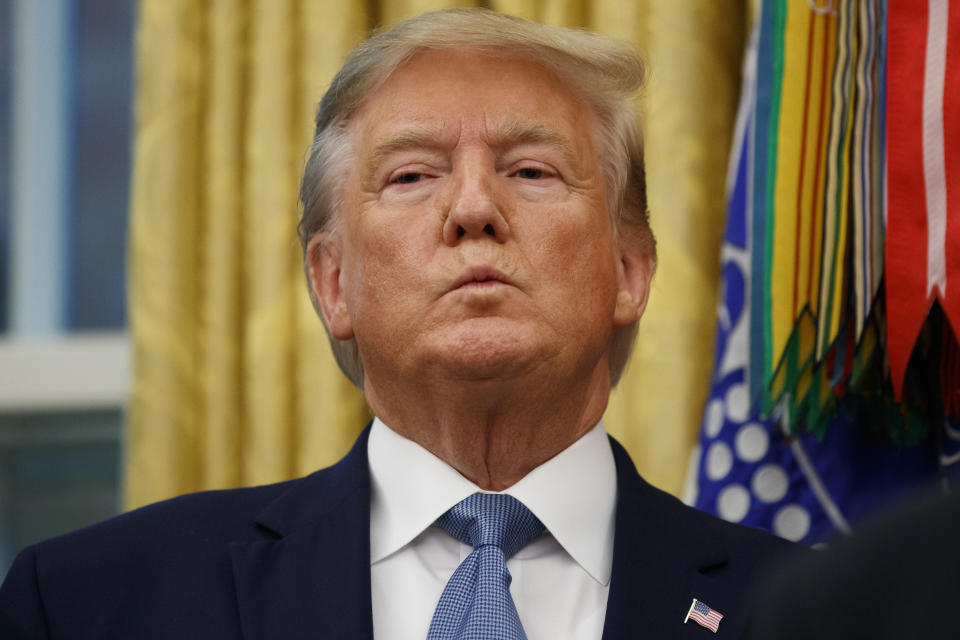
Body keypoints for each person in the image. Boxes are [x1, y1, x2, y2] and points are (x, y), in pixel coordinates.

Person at [0, 9, 801, 639]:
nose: (475, 209)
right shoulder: (86, 604)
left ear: (630, 271)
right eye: (413, 175)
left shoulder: (814, 610)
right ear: (334, 282)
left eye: (531, 170)